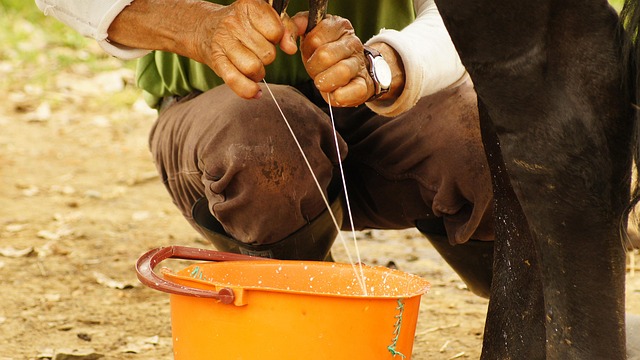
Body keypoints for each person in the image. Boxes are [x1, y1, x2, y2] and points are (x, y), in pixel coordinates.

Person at [35, 0, 495, 296]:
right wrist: (197, 27)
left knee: (491, 140)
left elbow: (480, 16)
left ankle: (534, 314)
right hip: (221, 125)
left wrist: (389, 63)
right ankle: (300, 321)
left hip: (375, 103)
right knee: (259, 139)